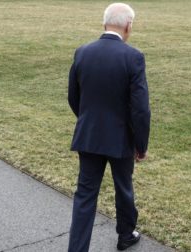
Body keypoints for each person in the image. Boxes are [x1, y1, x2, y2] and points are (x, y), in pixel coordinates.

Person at [67, 3, 151, 251]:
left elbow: (74, 96)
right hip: (121, 138)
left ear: (105, 23)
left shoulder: (82, 52)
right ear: (128, 26)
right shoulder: (133, 57)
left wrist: (87, 120)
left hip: (89, 135)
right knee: (123, 187)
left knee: (85, 195)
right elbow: (140, 109)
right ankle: (125, 234)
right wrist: (141, 144)